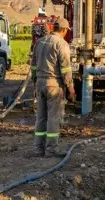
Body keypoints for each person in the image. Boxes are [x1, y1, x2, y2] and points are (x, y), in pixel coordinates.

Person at [30, 18, 76, 157]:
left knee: (41, 117)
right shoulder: (61, 44)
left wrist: (35, 82)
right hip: (54, 85)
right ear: (63, 30)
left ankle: (38, 148)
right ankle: (51, 150)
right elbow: (66, 68)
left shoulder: (40, 42)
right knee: (53, 118)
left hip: (40, 83)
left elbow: (33, 66)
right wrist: (71, 88)